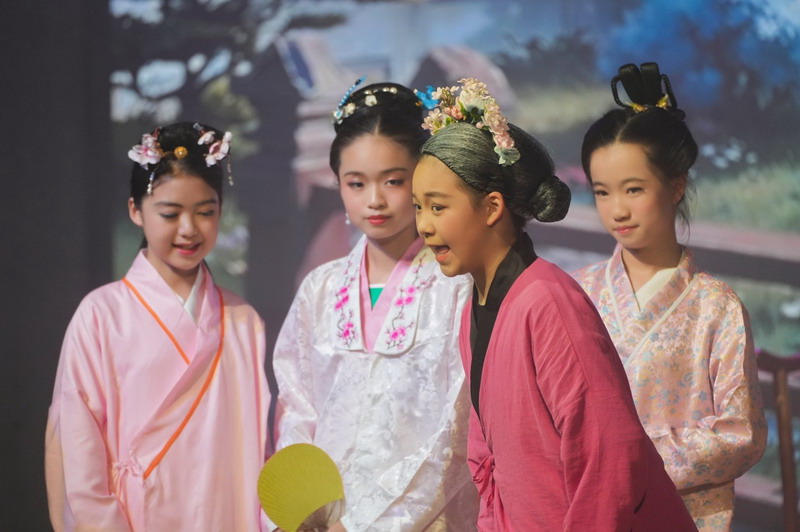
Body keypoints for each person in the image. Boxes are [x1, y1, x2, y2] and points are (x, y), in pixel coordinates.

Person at [412, 78, 697, 531]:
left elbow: (610, 452)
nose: (424, 226)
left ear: (491, 207)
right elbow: (488, 459)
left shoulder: (548, 300)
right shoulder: (476, 306)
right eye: (418, 207)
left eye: (438, 207)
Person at [271, 80, 478, 531]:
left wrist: (372, 523)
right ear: (337, 183)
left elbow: (457, 426)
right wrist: (303, 506)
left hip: (423, 519)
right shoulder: (319, 289)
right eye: (356, 183)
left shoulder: (457, 288)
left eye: (394, 181)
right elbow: (297, 407)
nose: (375, 200)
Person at [45, 122, 270, 531]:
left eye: (206, 212)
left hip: (225, 512)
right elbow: (78, 446)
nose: (189, 228)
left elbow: (258, 447)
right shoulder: (100, 315)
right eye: (170, 213)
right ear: (136, 210)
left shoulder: (243, 321)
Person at [572, 63, 766, 531]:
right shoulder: (575, 293)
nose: (617, 209)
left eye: (633, 189)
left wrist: (628, 456)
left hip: (682, 515)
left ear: (675, 186)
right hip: (589, 510)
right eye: (602, 193)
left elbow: (741, 433)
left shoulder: (716, 306)